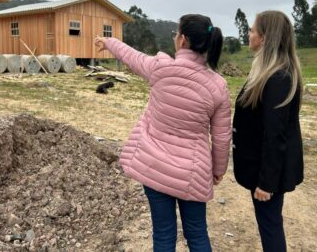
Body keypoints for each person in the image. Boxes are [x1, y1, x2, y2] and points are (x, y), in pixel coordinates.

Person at [94, 14, 232, 252]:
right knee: (198, 234)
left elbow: (131, 56)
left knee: (164, 234)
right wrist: (218, 170)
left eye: (176, 33)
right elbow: (221, 137)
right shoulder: (218, 85)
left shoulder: (161, 68)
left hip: (155, 168)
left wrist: (108, 42)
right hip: (193, 173)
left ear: (183, 40)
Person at [232, 11, 304, 252]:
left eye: (252, 30)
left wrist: (266, 183)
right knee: (269, 223)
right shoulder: (269, 71)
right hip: (260, 168)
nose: (249, 34)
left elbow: (276, 134)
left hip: (266, 174)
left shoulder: (277, 77)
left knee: (270, 225)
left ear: (264, 38)